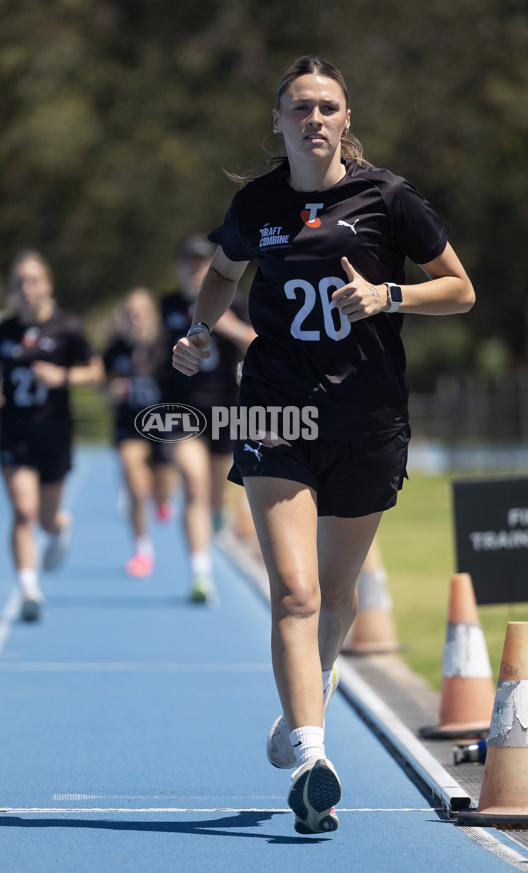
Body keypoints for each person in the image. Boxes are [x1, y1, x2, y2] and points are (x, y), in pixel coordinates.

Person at [172, 56, 475, 833]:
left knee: (336, 601)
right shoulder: (258, 204)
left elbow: (461, 288)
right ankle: (313, 757)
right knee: (297, 594)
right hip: (276, 414)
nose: (314, 118)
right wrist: (201, 332)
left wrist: (390, 294)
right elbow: (220, 274)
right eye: (299, 106)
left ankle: (305, 701)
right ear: (277, 121)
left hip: (367, 422)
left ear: (346, 120)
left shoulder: (388, 198)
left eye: (328, 106)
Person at [0, 250, 104, 622]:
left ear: (47, 285)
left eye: (33, 281)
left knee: (46, 519)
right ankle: (29, 588)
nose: (26, 289)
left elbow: (97, 372)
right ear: (12, 289)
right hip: (14, 435)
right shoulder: (3, 330)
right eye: (19, 282)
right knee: (23, 511)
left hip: (55, 434)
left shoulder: (67, 328)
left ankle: (59, 525)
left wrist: (62, 377)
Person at [161, 234, 255, 604]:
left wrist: (230, 327)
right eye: (190, 262)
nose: (195, 269)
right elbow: (150, 350)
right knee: (193, 485)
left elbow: (262, 342)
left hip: (224, 414)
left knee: (215, 498)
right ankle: (201, 574)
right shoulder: (167, 306)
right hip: (180, 412)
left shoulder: (238, 303)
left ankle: (214, 523)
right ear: (180, 268)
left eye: (203, 262)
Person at [103, 287, 176, 578]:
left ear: (153, 315)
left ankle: (161, 501)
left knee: (162, 489)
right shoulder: (116, 348)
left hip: (163, 427)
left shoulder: (168, 343)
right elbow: (101, 379)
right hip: (129, 426)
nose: (137, 318)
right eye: (131, 313)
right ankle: (142, 550)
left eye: (141, 312)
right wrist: (111, 390)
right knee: (133, 481)